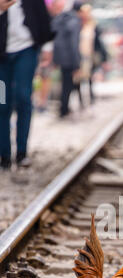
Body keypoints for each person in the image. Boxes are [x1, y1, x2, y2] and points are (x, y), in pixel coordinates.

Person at [0, 0, 54, 170]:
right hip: (1, 57)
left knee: (24, 97)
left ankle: (22, 152)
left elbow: (43, 20)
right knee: (2, 102)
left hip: (26, 50)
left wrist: (47, 47)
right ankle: (4, 155)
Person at [52, 0, 81, 118]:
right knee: (67, 86)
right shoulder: (73, 21)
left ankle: (64, 108)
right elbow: (74, 44)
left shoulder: (59, 20)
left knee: (65, 85)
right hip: (70, 59)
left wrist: (56, 59)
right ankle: (64, 109)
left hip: (61, 58)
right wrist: (77, 63)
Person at [76, 3, 108, 106]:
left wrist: (104, 58)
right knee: (78, 79)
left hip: (90, 55)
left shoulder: (93, 26)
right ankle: (81, 101)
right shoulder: (77, 25)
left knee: (90, 78)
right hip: (78, 55)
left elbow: (99, 43)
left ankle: (91, 98)